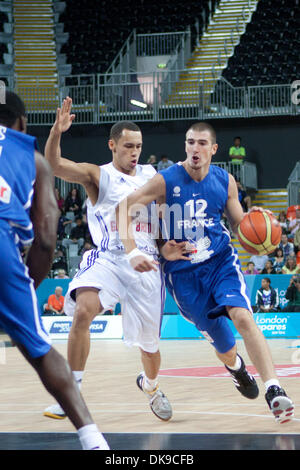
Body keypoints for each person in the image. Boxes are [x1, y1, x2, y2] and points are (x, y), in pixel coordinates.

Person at [118, 121, 294, 424]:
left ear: (214, 149)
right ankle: (237, 368)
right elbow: (124, 208)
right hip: (183, 275)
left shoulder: (225, 181)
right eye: (190, 142)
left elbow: (241, 226)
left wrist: (262, 237)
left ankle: (274, 389)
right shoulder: (166, 180)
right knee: (225, 348)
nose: (194, 148)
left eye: (201, 143)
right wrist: (141, 251)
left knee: (242, 316)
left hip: (220, 262)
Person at [42, 97, 182, 422]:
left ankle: (150, 386)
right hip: (109, 258)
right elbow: (55, 164)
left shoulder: (153, 177)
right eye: (128, 146)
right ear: (112, 145)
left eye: (139, 146)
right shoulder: (97, 175)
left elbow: (164, 222)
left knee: (150, 349)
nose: (134, 152)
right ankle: (70, 393)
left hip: (146, 264)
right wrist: (56, 133)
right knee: (83, 313)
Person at [0, 90, 109, 450]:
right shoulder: (30, 158)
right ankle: (93, 441)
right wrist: (26, 288)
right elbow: (47, 237)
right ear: (21, 123)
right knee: (41, 351)